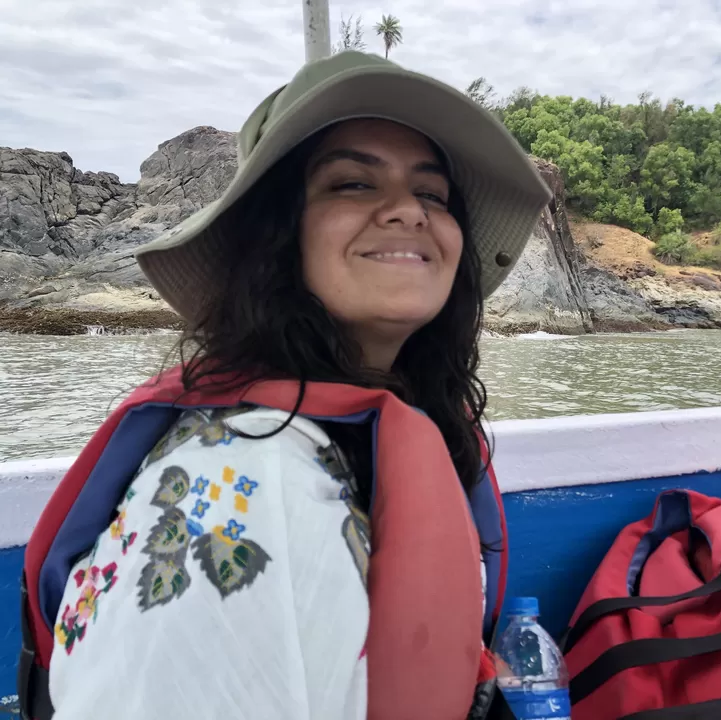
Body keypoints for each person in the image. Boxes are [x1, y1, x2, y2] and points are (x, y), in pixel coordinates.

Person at [22, 51, 551, 720]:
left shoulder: (365, 440)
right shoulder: (246, 483)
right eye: (353, 183)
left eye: (433, 194)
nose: (407, 212)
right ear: (277, 235)